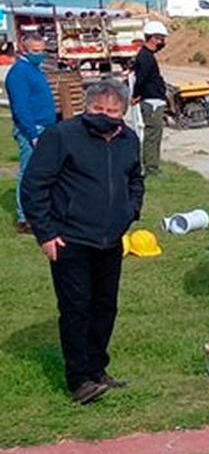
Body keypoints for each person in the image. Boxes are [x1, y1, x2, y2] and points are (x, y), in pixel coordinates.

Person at [21, 79, 144, 404]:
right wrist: (45, 233)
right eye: (98, 109)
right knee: (77, 308)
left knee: (105, 306)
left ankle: (97, 368)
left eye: (112, 111)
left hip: (110, 240)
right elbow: (34, 186)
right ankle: (79, 379)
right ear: (87, 108)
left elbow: (135, 178)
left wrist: (131, 211)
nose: (105, 115)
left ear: (122, 112)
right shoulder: (61, 136)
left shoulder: (129, 140)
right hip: (69, 239)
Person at [5, 31, 58, 233]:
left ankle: (42, 210)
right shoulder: (19, 73)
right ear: (23, 50)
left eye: (42, 51)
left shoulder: (35, 69)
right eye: (36, 51)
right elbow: (21, 108)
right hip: (33, 129)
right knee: (28, 173)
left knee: (44, 173)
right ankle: (24, 217)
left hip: (46, 127)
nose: (40, 54)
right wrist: (32, 134)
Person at [131, 20, 169, 176]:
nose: (163, 43)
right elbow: (142, 79)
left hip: (154, 100)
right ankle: (151, 168)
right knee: (153, 135)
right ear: (153, 38)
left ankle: (151, 165)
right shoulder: (146, 57)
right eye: (161, 39)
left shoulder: (146, 56)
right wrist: (136, 95)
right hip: (152, 102)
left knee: (153, 134)